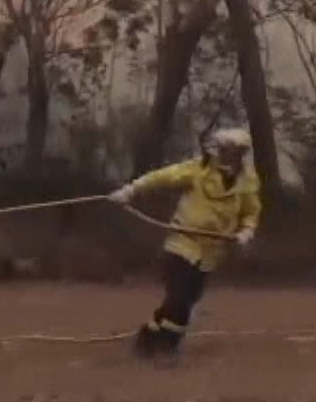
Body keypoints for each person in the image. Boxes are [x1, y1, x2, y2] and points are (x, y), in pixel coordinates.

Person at [110, 126, 262, 358]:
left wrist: (247, 230)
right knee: (179, 299)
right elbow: (162, 177)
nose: (230, 155)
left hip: (210, 253)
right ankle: (166, 348)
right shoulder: (198, 169)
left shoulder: (249, 181)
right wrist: (131, 190)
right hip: (182, 244)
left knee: (184, 302)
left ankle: (147, 340)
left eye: (236, 151)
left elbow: (251, 211)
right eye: (226, 149)